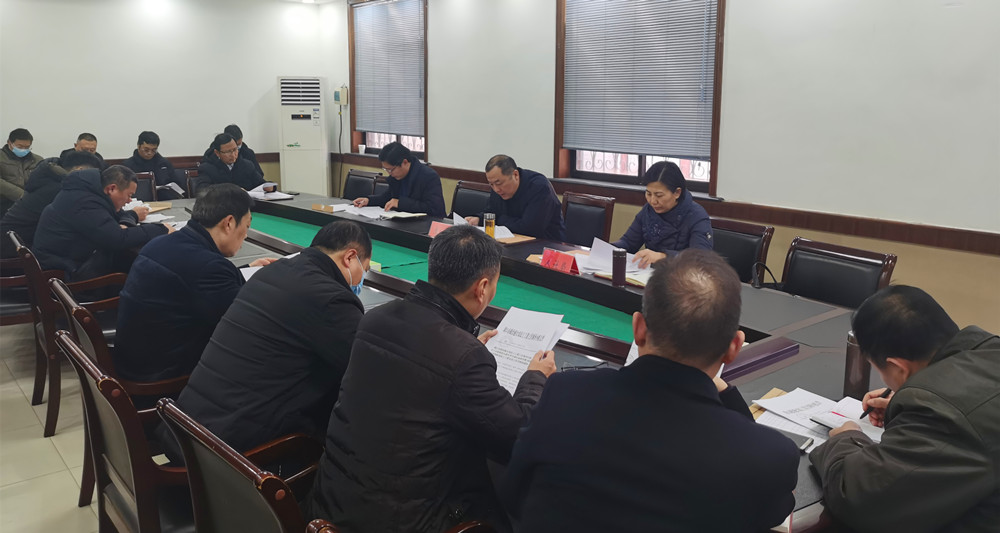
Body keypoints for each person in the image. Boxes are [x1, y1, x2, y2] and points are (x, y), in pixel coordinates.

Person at [501, 249, 799, 533]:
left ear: (639, 328)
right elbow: (771, 514)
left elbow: (514, 496)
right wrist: (728, 395)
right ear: (734, 348)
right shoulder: (767, 456)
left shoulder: (563, 394)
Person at [308, 225, 556, 533]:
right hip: (402, 522)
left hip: (331, 504)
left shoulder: (376, 317)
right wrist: (535, 378)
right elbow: (518, 437)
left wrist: (464, 346)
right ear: (482, 288)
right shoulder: (463, 356)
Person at [809, 285, 999, 533]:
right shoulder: (990, 350)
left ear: (898, 367)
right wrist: (911, 407)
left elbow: (859, 500)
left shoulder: (942, 417)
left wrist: (846, 438)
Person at [174, 220, 371, 454]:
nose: (361, 279)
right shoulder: (331, 299)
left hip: (187, 428)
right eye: (364, 269)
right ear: (350, 257)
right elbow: (369, 368)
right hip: (232, 452)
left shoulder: (270, 272)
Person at [114, 184, 277, 383]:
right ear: (229, 223)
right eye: (247, 226)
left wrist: (246, 269)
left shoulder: (161, 243)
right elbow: (246, 324)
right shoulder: (208, 267)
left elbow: (194, 284)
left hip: (135, 362)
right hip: (165, 379)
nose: (245, 235)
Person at [33, 165, 172, 280]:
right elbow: (117, 239)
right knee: (142, 268)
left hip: (70, 261)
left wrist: (132, 216)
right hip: (66, 274)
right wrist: (160, 229)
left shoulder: (87, 192)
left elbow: (115, 218)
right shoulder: (85, 202)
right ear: (112, 189)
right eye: (129, 195)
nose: (129, 200)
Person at [1, 151, 102, 258]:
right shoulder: (61, 188)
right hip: (15, 249)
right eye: (93, 175)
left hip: (15, 241)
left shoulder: (51, 180)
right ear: (79, 170)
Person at [612, 161, 713, 268]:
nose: (653, 201)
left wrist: (663, 257)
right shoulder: (648, 210)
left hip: (681, 275)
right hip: (650, 273)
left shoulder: (697, 216)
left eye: (659, 195)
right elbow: (628, 242)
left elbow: (701, 258)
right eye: (648, 194)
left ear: (677, 193)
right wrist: (607, 249)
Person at [465, 155, 565, 241]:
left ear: (515, 175)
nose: (496, 189)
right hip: (511, 242)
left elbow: (529, 229)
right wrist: (479, 219)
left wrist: (498, 220)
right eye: (491, 184)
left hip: (546, 246)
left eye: (499, 183)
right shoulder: (498, 188)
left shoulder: (539, 187)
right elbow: (492, 211)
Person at [351, 141, 446, 217]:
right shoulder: (397, 177)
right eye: (386, 169)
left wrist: (400, 203)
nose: (389, 173)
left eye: (391, 169)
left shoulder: (428, 176)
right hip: (403, 224)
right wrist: (369, 200)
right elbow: (388, 198)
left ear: (404, 162)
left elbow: (434, 209)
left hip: (425, 227)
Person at [120, 131, 184, 199]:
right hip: (139, 201)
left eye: (153, 150)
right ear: (138, 146)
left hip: (164, 200)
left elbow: (176, 184)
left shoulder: (164, 164)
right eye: (146, 150)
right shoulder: (127, 165)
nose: (149, 153)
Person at [197, 133, 268, 191]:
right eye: (228, 152)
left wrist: (269, 187)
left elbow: (261, 184)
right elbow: (202, 190)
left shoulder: (247, 165)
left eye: (235, 150)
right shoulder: (206, 169)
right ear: (217, 153)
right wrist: (232, 190)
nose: (233, 155)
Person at [1, 128, 44, 217]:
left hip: (30, 202)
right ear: (9, 142)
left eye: (27, 147)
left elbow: (44, 180)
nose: (23, 150)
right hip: (4, 202)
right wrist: (22, 195)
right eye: (20, 147)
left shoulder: (38, 160)